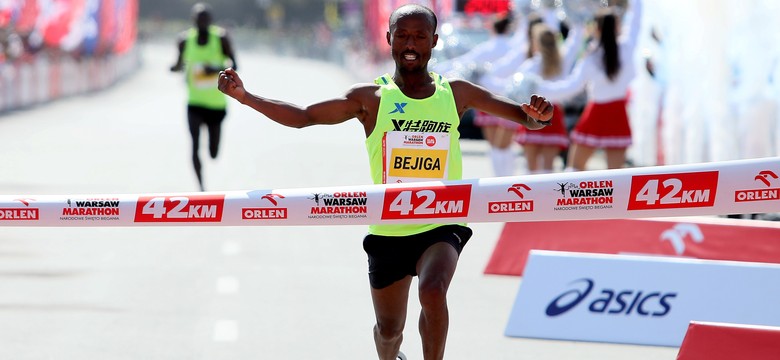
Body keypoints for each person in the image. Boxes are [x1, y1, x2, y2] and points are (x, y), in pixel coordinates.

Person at [217, 4, 553, 359]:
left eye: (420, 36)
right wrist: (245, 97)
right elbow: (303, 117)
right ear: (388, 38)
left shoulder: (456, 93)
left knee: (434, 291)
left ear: (434, 41)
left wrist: (538, 117)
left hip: (442, 219)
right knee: (390, 332)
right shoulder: (369, 99)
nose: (411, 43)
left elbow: (523, 118)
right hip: (389, 228)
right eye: (403, 35)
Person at [536, 0, 643, 171]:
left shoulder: (591, 57)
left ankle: (576, 199)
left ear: (597, 29)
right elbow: (636, 21)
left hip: (596, 113)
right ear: (617, 27)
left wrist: (538, 89)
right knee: (617, 176)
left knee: (574, 170)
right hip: (617, 114)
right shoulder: (627, 48)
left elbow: (570, 87)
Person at [170, 2, 238, 191]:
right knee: (194, 145)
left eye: (205, 19)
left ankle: (213, 153)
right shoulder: (184, 40)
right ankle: (201, 189)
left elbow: (236, 65)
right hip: (194, 102)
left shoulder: (221, 38)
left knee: (213, 153)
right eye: (198, 19)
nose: (202, 22)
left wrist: (215, 68)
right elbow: (178, 64)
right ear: (193, 21)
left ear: (210, 20)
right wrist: (174, 68)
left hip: (217, 104)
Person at [514, 23, 584, 174]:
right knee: (548, 168)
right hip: (553, 113)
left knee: (531, 167)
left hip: (532, 112)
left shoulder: (530, 65)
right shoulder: (563, 60)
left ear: (536, 42)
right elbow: (575, 41)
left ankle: (532, 196)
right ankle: (546, 197)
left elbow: (515, 88)